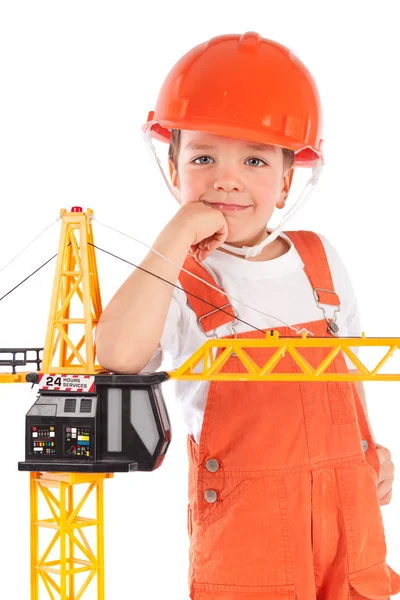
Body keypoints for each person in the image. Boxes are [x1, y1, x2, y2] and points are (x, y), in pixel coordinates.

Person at [96, 32, 400, 599]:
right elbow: (116, 354)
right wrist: (178, 235)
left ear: (287, 180)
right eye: (203, 157)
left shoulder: (320, 262)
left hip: (347, 519)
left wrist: (372, 448)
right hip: (250, 534)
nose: (226, 178)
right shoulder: (174, 279)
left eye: (255, 159)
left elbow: (350, 371)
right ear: (173, 170)